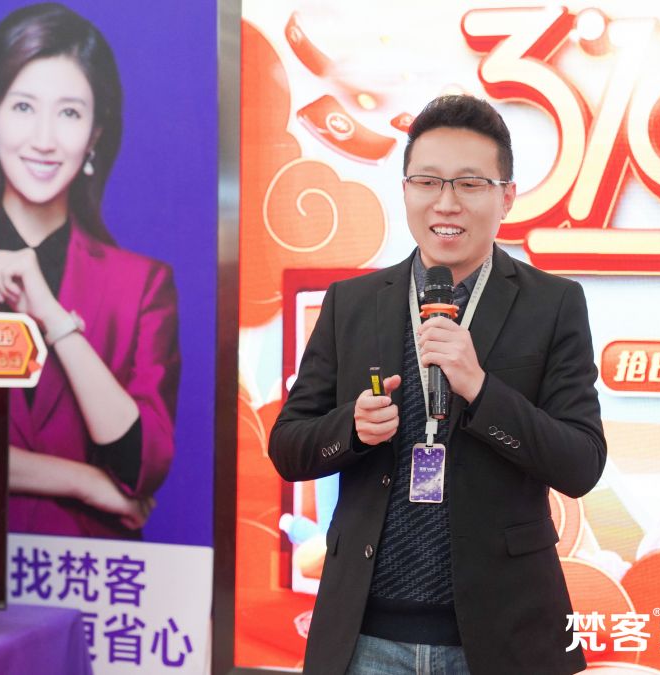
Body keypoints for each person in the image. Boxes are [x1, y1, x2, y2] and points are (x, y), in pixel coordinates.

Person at [269, 95, 606, 675]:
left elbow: (581, 464)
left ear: (507, 196)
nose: (446, 203)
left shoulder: (553, 304)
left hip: (504, 635)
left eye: (470, 184)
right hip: (364, 637)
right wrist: (352, 428)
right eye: (427, 182)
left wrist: (481, 389)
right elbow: (288, 447)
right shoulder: (351, 303)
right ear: (405, 190)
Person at [0, 3, 180, 539]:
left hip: (94, 570)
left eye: (70, 114)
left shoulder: (142, 285)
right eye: (23, 107)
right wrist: (82, 481)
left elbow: (140, 467)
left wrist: (54, 318)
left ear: (95, 134)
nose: (43, 139)